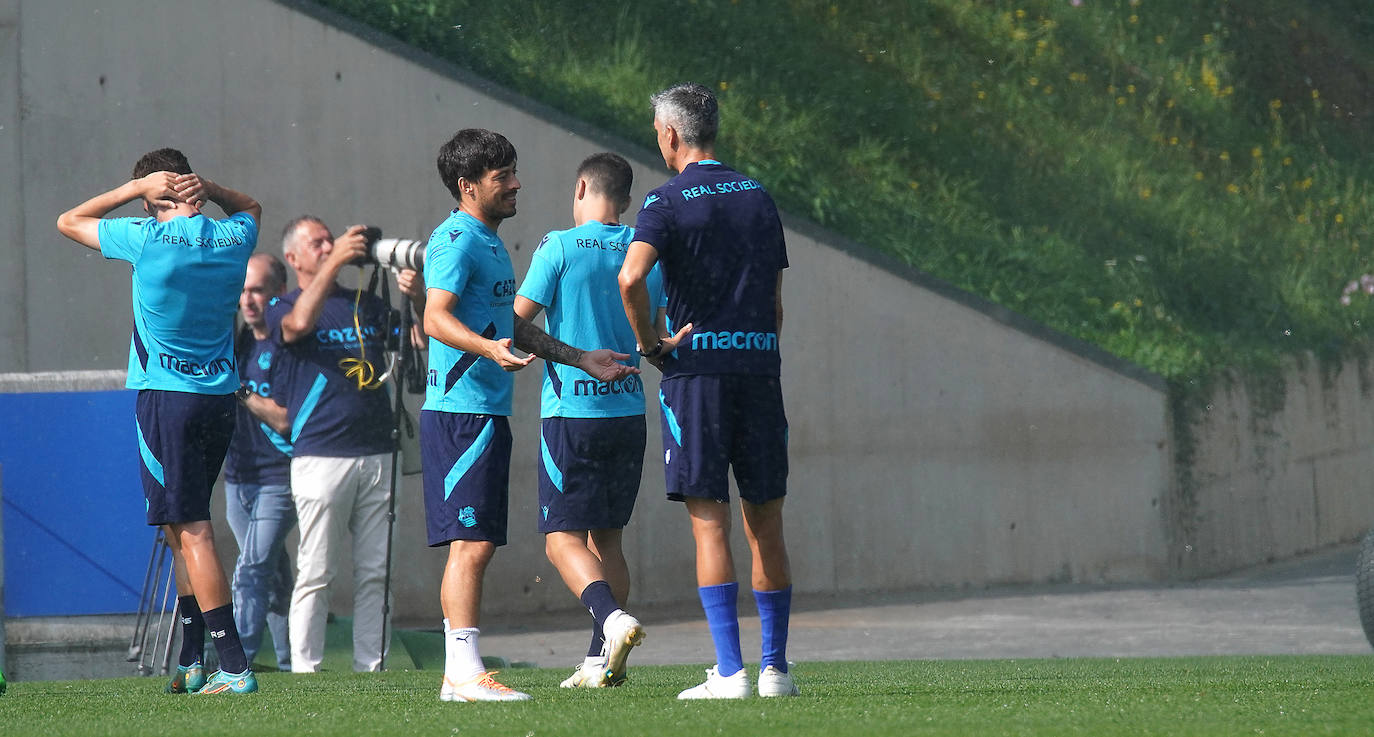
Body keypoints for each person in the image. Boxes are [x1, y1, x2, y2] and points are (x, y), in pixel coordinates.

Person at [420, 129, 639, 702]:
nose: (517, 184)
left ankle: (469, 672)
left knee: (483, 542)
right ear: (468, 187)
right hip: (458, 411)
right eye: (503, 177)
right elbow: (435, 319)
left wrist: (578, 357)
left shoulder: (490, 242)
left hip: (489, 411)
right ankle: (463, 674)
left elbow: (513, 326)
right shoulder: (456, 240)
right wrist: (485, 348)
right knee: (470, 544)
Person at [56, 147, 262, 695]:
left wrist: (133, 190)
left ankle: (234, 666)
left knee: (191, 528)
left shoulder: (144, 238)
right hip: (218, 396)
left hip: (165, 399)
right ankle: (193, 659)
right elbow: (252, 206)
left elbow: (68, 221)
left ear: (152, 195)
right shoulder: (233, 237)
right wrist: (211, 187)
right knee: (178, 529)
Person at [618, 83, 799, 699]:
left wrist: (650, 343)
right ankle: (775, 671)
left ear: (670, 135)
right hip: (758, 373)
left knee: (709, 525)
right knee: (766, 522)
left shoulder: (665, 201)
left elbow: (632, 276)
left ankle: (731, 672)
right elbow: (775, 304)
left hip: (696, 376)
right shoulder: (758, 196)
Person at [514, 153, 664, 689]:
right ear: (625, 200)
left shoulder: (558, 246)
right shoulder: (644, 253)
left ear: (581, 187)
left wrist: (574, 355)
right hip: (628, 412)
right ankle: (599, 661)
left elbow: (515, 323)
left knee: (560, 539)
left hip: (572, 415)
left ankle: (611, 619)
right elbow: (656, 337)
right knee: (610, 540)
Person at [267, 216, 424, 673]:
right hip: (320, 456)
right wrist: (335, 262)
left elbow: (420, 339)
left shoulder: (367, 304)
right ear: (293, 258)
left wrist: (418, 298)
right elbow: (297, 327)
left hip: (380, 451)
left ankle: (370, 667)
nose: (328, 246)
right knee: (316, 571)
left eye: (329, 240)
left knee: (378, 571)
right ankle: (305, 670)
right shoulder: (284, 304)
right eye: (316, 243)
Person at [224, 252, 295, 671]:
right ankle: (290, 664)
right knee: (271, 572)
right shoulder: (239, 340)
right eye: (243, 290)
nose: (247, 299)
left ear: (279, 293)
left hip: (279, 477)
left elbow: (285, 419)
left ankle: (236, 665)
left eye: (257, 290)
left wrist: (241, 391)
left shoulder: (288, 343)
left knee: (250, 569)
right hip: (238, 477)